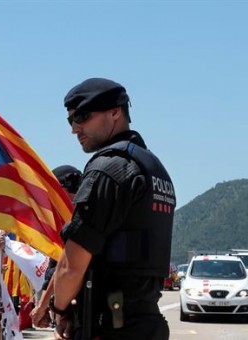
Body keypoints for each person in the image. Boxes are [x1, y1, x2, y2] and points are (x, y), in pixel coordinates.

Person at [51, 78, 175, 340]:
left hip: (110, 325)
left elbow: (71, 266)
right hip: (146, 323)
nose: (75, 128)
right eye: (70, 120)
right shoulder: (154, 168)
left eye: (82, 116)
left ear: (115, 112)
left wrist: (59, 308)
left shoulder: (108, 169)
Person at [31, 165, 82, 328]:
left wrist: (42, 306)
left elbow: (65, 266)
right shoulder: (66, 219)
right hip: (65, 305)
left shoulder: (80, 219)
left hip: (77, 307)